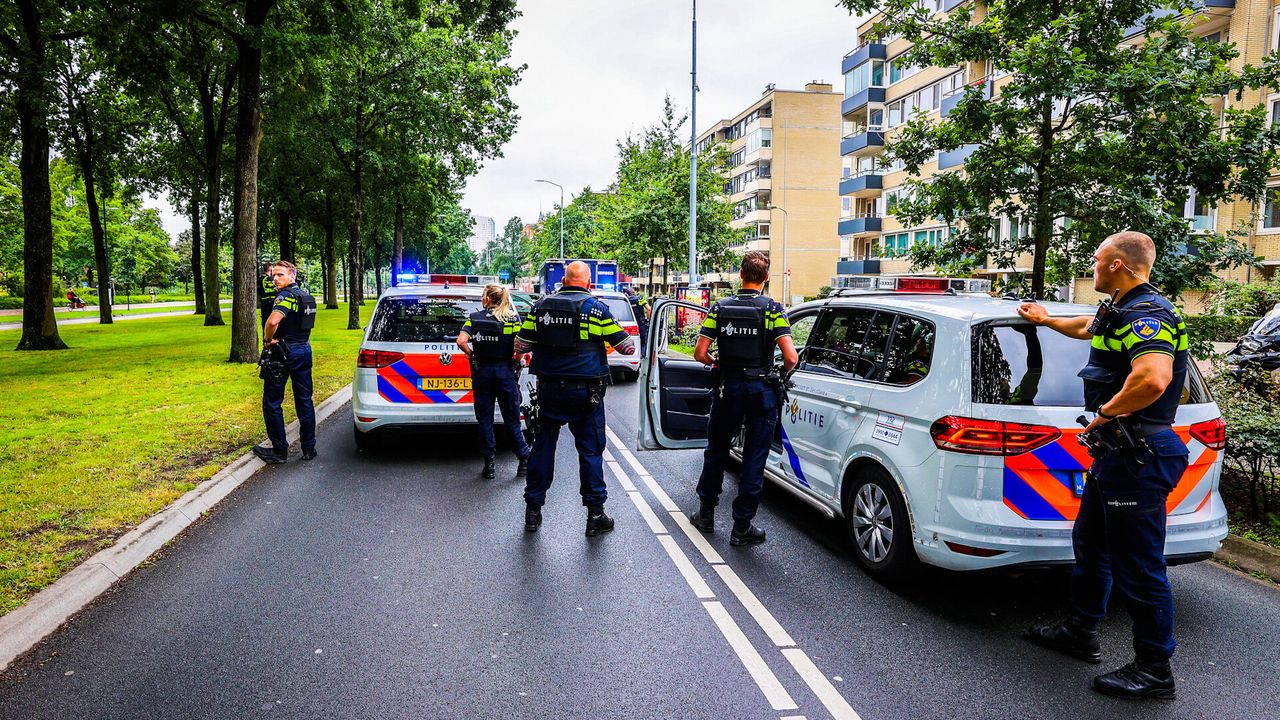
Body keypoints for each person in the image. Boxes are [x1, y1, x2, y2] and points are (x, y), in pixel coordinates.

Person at [1017, 231, 1190, 700]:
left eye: (1096, 259)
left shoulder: (1148, 316)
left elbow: (1153, 379)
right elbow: (1085, 328)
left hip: (1138, 455)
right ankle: (1080, 631)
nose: (1091, 266)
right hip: (1118, 453)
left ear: (1116, 264)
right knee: (1092, 545)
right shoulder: (1119, 309)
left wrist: (1105, 415)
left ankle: (1154, 670)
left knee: (1140, 567)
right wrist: (1046, 319)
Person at [515, 261, 636, 536]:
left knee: (543, 448)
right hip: (586, 394)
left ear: (563, 281)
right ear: (588, 283)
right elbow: (627, 348)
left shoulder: (540, 307)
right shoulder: (596, 309)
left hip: (549, 392)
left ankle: (532, 511)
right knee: (590, 451)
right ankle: (595, 515)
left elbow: (521, 345)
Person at [688, 251, 798, 546]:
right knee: (754, 457)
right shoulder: (772, 309)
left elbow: (699, 353)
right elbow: (791, 357)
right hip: (761, 392)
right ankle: (742, 527)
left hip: (728, 389)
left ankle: (706, 514)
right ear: (766, 278)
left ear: (741, 274)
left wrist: (717, 363)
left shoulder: (720, 308)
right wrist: (779, 374)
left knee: (716, 450)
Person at [457, 284, 531, 480]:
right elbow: (521, 347)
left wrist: (471, 354)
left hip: (483, 373)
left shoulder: (474, 318)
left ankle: (489, 464)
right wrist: (517, 359)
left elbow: (461, 341)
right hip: (505, 373)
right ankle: (524, 459)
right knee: (512, 420)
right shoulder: (512, 319)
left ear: (488, 299)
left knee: (485, 420)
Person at [255, 260, 318, 464]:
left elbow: (273, 321)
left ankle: (279, 450)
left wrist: (267, 340)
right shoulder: (306, 297)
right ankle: (309, 448)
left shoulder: (285, 296)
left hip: (283, 353)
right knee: (304, 401)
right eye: (273, 275)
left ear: (292, 275)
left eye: (280, 275)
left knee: (272, 402)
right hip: (304, 350)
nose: (275, 279)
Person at [624, 286, 650, 353]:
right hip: (641, 322)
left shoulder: (625, 300)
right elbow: (649, 309)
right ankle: (642, 355)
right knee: (643, 341)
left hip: (630, 323)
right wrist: (648, 320)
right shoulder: (639, 299)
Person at [258, 262, 277, 328]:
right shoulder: (270, 279)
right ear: (271, 269)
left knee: (265, 321)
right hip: (271, 302)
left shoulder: (260, 279)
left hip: (263, 302)